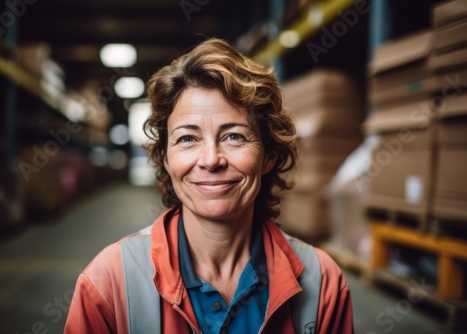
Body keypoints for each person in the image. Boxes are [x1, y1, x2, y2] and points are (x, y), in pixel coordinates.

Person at [64, 38, 354, 334]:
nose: (211, 160)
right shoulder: (108, 281)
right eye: (188, 138)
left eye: (234, 136)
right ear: (165, 158)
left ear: (269, 156)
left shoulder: (323, 283)